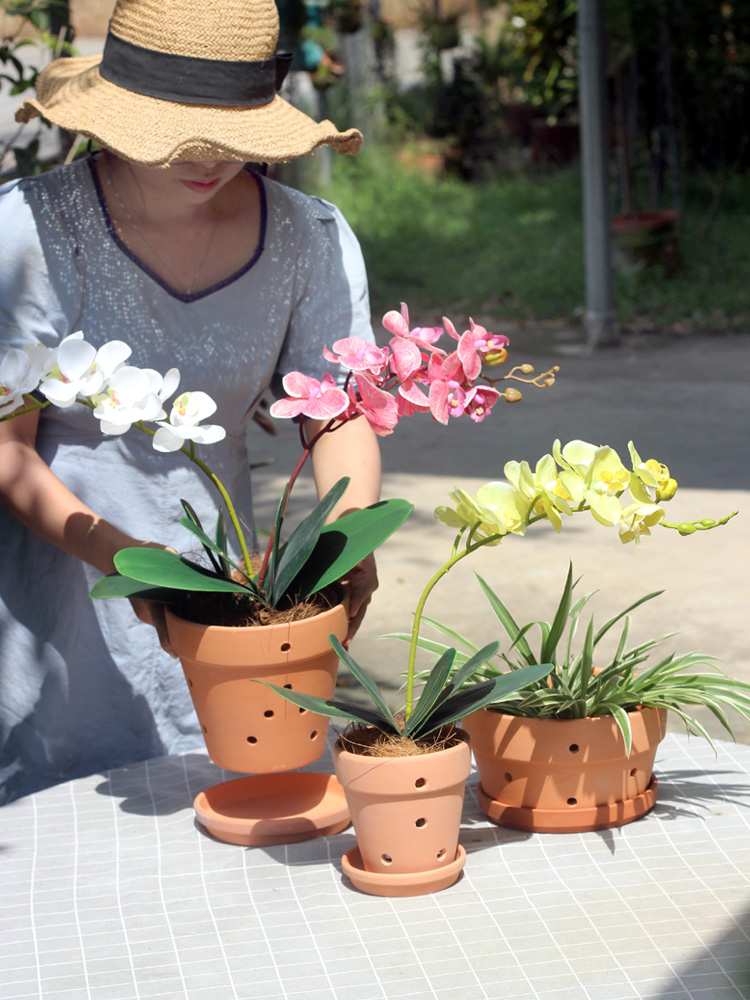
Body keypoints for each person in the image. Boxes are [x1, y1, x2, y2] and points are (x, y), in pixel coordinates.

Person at [0, 0, 381, 805]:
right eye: (174, 134)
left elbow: (334, 411)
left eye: (232, 134)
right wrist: (128, 564)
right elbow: (8, 449)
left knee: (241, 810)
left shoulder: (306, 237)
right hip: (63, 592)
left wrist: (349, 538)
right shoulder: (33, 231)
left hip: (227, 598)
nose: (208, 160)